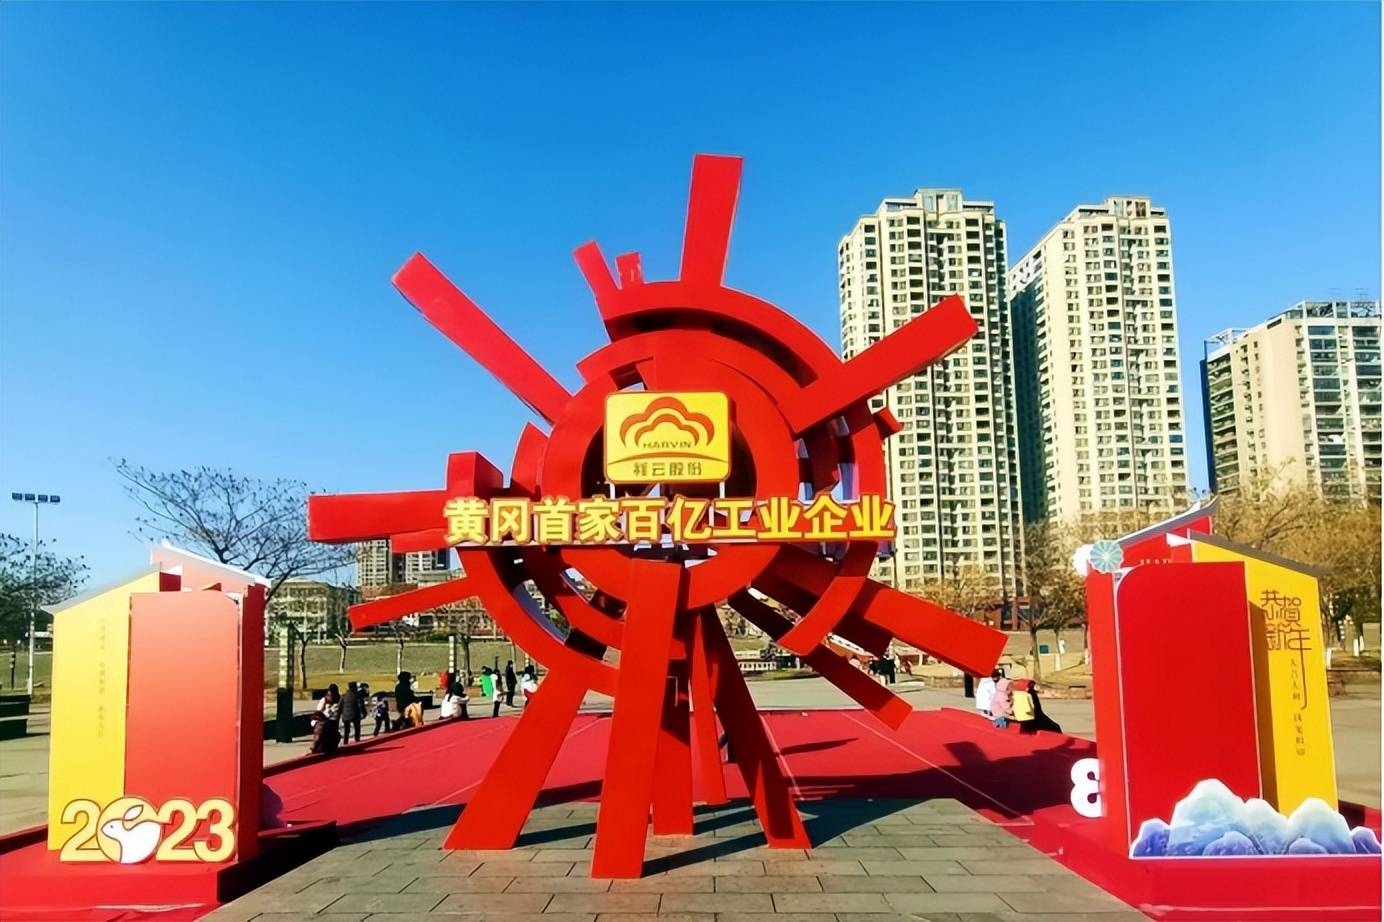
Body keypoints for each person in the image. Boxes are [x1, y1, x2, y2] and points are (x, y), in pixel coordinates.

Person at [310, 684, 341, 754]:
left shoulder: (338, 700)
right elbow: (318, 712)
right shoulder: (324, 700)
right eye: (329, 694)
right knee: (321, 729)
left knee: (336, 735)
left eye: (331, 695)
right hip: (322, 720)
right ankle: (314, 746)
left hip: (332, 722)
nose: (330, 696)